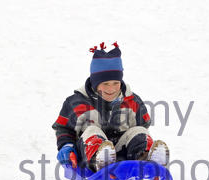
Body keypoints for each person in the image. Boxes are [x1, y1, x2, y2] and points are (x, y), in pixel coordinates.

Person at [52, 41, 169, 172]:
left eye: (115, 83)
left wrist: (137, 141)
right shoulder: (76, 103)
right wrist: (66, 146)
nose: (111, 88)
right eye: (105, 83)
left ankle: (147, 161)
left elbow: (144, 125)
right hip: (87, 155)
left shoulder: (132, 102)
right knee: (92, 131)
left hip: (122, 154)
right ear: (95, 83)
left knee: (139, 131)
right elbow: (63, 128)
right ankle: (101, 160)